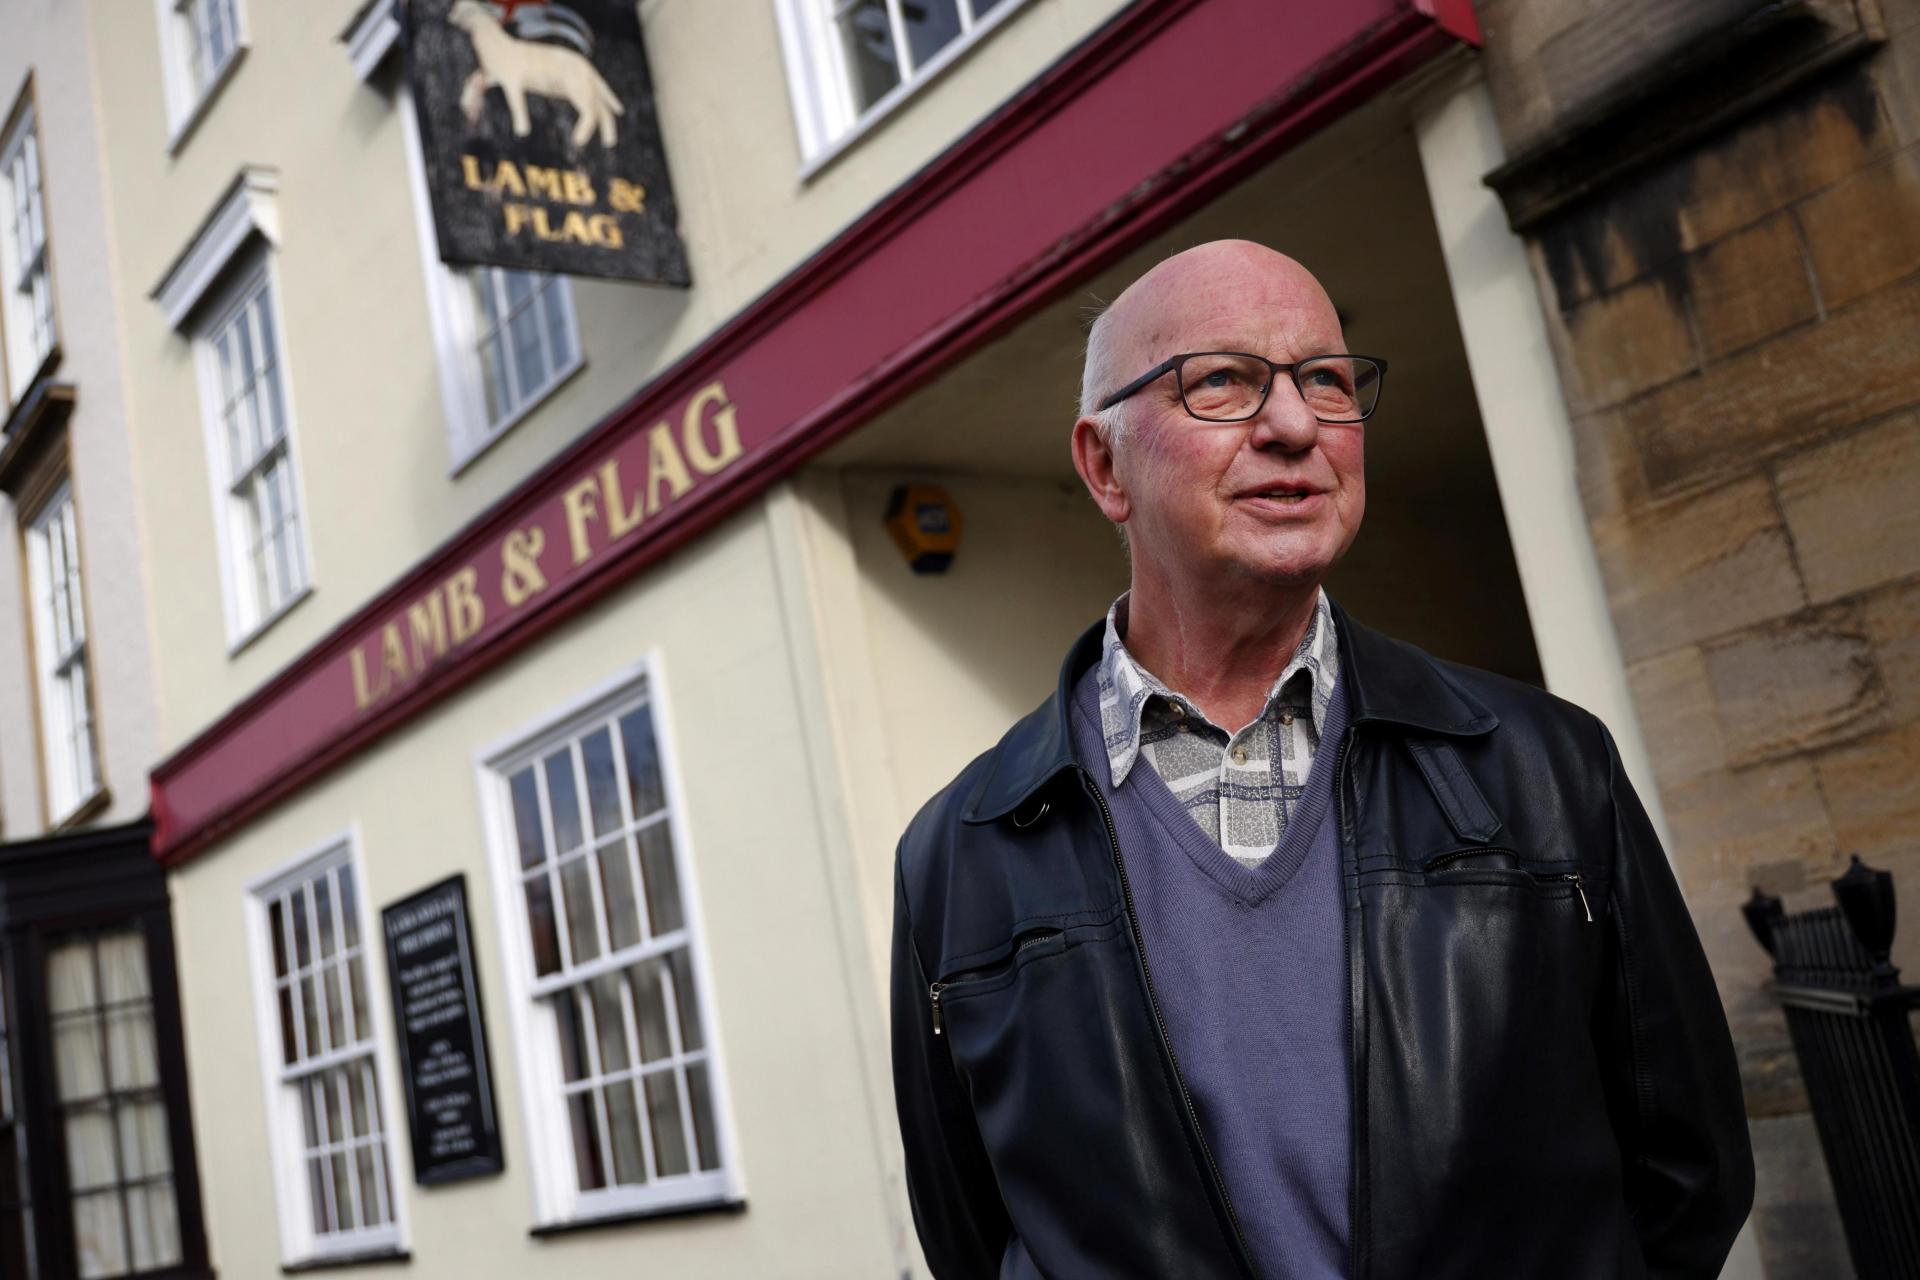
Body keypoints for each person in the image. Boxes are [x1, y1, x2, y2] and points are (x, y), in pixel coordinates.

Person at [889, 240, 1753, 1279]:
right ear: (1105, 465)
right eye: (1222, 381)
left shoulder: (1548, 767)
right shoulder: (960, 851)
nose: (1295, 425)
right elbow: (969, 1233)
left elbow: (1688, 1172)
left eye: (1327, 382)